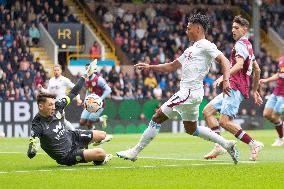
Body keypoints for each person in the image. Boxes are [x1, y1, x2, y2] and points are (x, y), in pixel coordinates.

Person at [116, 13, 239, 164]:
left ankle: (134, 152)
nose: (186, 31)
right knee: (191, 129)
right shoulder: (190, 49)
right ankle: (226, 144)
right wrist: (150, 66)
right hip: (192, 93)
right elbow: (172, 66)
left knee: (157, 117)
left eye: (189, 28)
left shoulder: (206, 45)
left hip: (188, 92)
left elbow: (225, 61)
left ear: (198, 28)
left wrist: (226, 80)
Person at [27, 61, 113, 166]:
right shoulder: (37, 124)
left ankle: (85, 149)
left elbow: (73, 92)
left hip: (72, 136)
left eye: (54, 104)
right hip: (67, 154)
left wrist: (85, 75)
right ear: (41, 106)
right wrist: (33, 150)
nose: (54, 107)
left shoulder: (58, 106)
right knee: (101, 153)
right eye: (50, 105)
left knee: (102, 135)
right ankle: (96, 158)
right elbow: (30, 152)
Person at [202, 15, 264, 161]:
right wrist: (254, 90)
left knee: (224, 122)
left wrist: (224, 76)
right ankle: (219, 145)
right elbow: (257, 70)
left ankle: (253, 144)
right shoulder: (249, 47)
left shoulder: (240, 45)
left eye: (236, 28)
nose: (233, 30)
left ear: (245, 30)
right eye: (232, 28)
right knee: (207, 112)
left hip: (235, 87)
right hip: (235, 87)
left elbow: (240, 64)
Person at [39, 64, 82, 130]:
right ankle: (74, 132)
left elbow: (75, 89)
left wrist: (78, 98)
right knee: (62, 121)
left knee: (55, 119)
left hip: (61, 103)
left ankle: (72, 133)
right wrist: (42, 89)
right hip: (53, 104)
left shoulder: (64, 80)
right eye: (55, 70)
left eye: (58, 70)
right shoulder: (51, 80)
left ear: (61, 71)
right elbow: (49, 92)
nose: (56, 71)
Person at [259, 56, 284, 146]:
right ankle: (281, 125)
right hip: (276, 93)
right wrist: (267, 80)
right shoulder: (281, 59)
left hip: (283, 96)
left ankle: (281, 138)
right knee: (266, 114)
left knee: (274, 116)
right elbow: (279, 74)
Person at [80, 60, 112, 130]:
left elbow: (108, 90)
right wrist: (85, 101)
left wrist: (100, 98)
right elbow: (88, 91)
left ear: (92, 69)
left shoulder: (98, 79)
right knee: (82, 122)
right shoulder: (87, 80)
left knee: (89, 123)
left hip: (99, 104)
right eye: (86, 69)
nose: (87, 71)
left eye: (88, 69)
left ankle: (96, 138)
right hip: (90, 103)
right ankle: (101, 119)